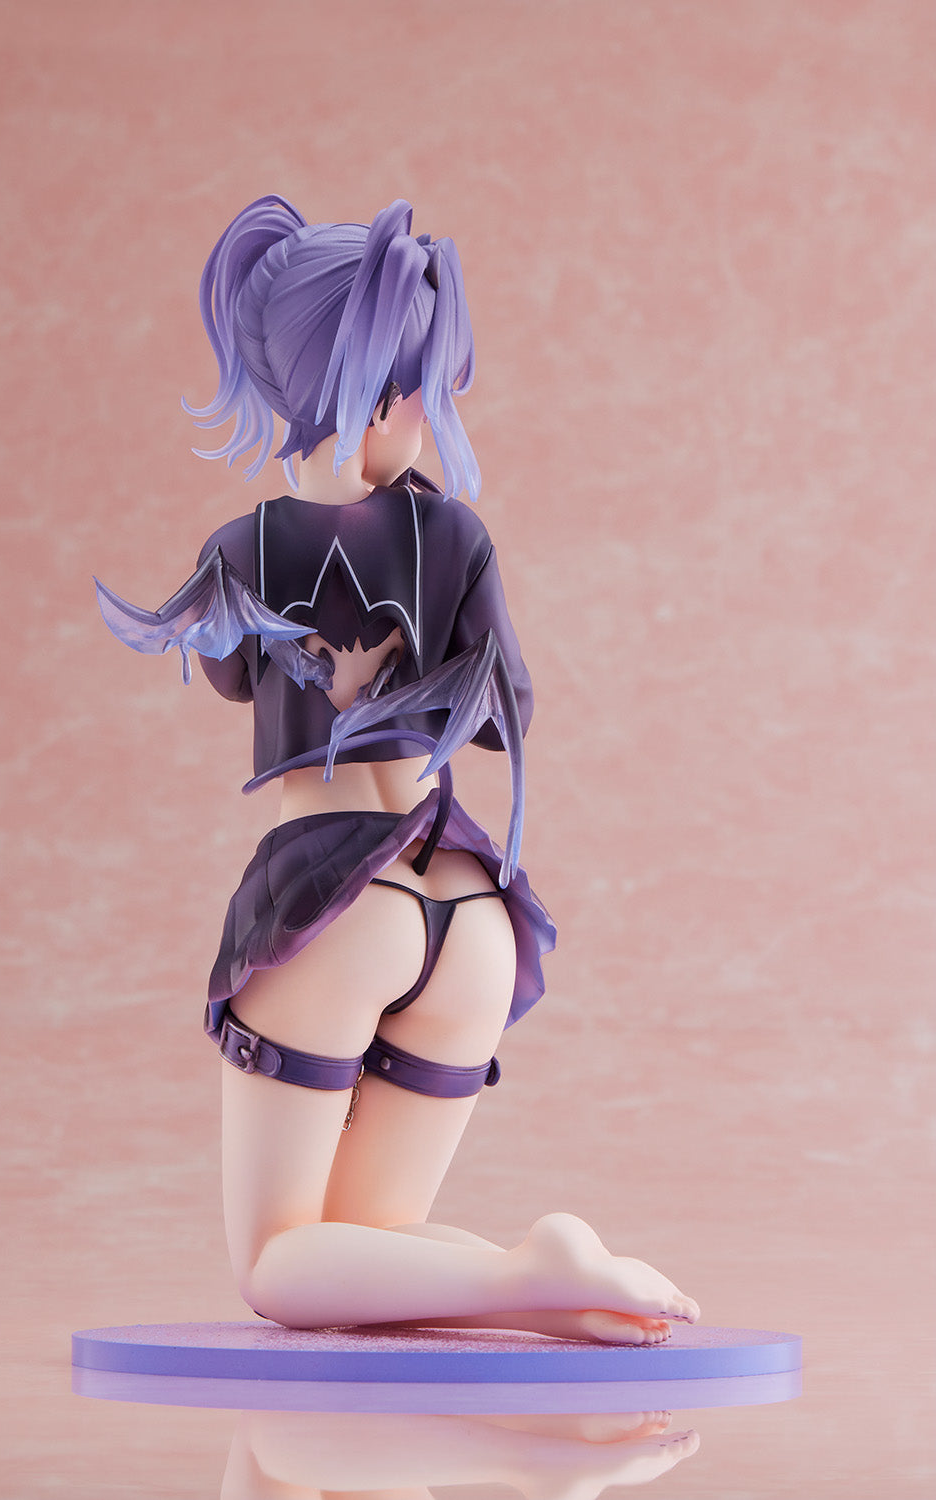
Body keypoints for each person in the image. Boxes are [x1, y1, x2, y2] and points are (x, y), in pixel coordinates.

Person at [97, 195, 699, 1342]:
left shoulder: (242, 549)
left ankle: (527, 1276)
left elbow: (229, 680)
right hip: (471, 911)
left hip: (335, 901)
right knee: (364, 1242)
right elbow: (507, 711)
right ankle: (550, 1282)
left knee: (277, 1268)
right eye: (424, 388)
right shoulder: (455, 538)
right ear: (374, 390)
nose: (430, 412)